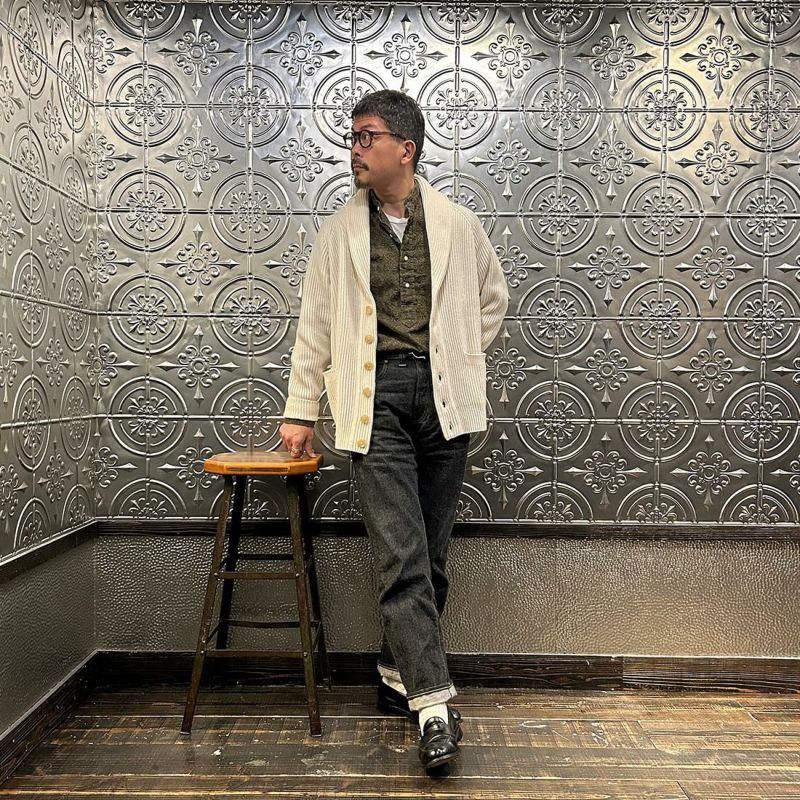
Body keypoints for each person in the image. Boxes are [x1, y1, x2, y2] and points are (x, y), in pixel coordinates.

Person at [279, 89, 508, 771]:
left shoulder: (459, 225)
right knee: (401, 556)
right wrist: (300, 410)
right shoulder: (338, 234)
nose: (353, 149)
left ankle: (393, 671)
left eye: (366, 137)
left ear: (405, 149)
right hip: (372, 399)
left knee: (430, 559)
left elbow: (492, 301)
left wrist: (457, 358)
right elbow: (316, 324)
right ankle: (434, 708)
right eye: (351, 137)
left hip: (444, 402)